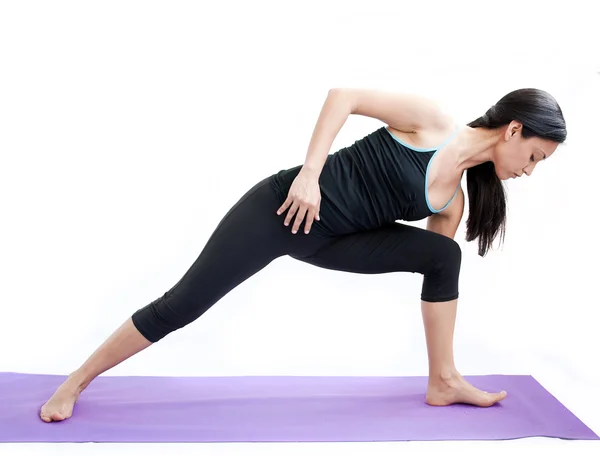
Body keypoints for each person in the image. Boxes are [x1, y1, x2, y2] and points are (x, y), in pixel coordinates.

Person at [39, 87, 567, 422]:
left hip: (333, 241)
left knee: (443, 256)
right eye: (535, 156)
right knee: (182, 305)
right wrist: (310, 175)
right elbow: (344, 96)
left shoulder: (453, 201)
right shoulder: (431, 123)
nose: (529, 170)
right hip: (282, 210)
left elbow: (429, 262)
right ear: (514, 130)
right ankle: (76, 381)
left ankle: (444, 379)